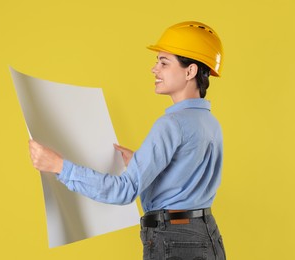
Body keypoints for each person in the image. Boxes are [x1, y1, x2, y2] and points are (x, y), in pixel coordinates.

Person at [29, 21, 226, 260]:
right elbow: (185, 177)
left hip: (174, 240)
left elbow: (124, 191)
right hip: (207, 234)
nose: (154, 70)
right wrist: (140, 162)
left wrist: (59, 166)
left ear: (190, 71)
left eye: (164, 63)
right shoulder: (209, 121)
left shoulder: (171, 124)